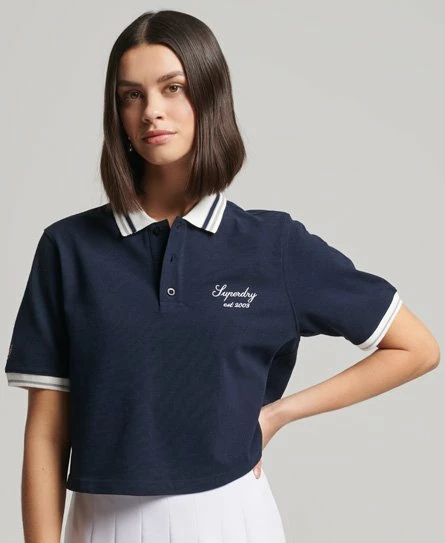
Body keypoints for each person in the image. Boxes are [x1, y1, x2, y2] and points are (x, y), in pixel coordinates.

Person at [4, 9, 440, 543]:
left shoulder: (273, 246)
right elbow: (47, 434)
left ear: (209, 96)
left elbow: (416, 348)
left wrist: (278, 414)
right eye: (131, 95)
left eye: (173, 88)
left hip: (232, 520)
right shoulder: (68, 249)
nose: (151, 111)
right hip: (100, 525)